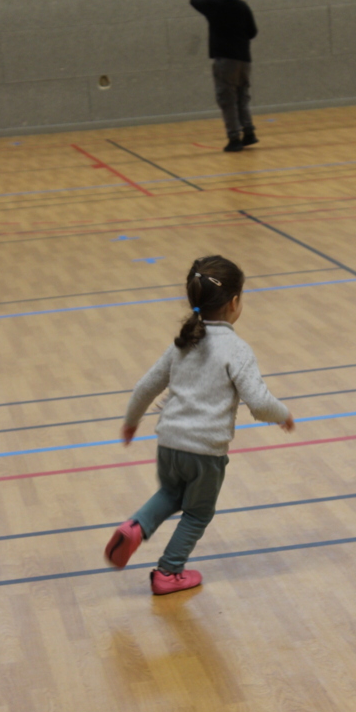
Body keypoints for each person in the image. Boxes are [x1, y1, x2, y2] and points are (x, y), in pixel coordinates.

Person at [105, 255, 295, 595]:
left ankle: (136, 526)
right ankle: (168, 572)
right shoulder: (236, 349)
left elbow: (144, 388)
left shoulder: (183, 343)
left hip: (169, 443)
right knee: (197, 514)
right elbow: (259, 402)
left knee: (170, 493)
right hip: (205, 452)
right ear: (234, 303)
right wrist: (283, 414)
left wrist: (131, 422)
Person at [190, 0, 259, 152]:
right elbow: (252, 32)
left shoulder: (214, 5)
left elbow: (194, 0)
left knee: (227, 98)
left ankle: (234, 138)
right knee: (242, 96)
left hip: (226, 58)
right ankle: (249, 132)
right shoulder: (242, 5)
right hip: (244, 58)